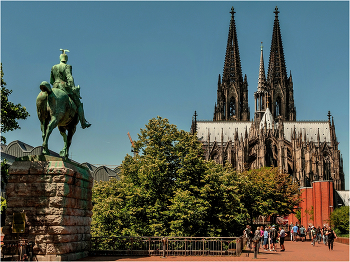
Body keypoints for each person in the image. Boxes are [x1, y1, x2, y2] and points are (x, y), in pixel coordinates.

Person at [50, 49, 91, 129]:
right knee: (79, 105)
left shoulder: (54, 67)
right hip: (63, 87)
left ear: (60, 58)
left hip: (55, 86)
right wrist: (73, 87)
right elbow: (70, 78)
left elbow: (51, 81)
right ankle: (83, 123)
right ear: (66, 59)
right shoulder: (67, 66)